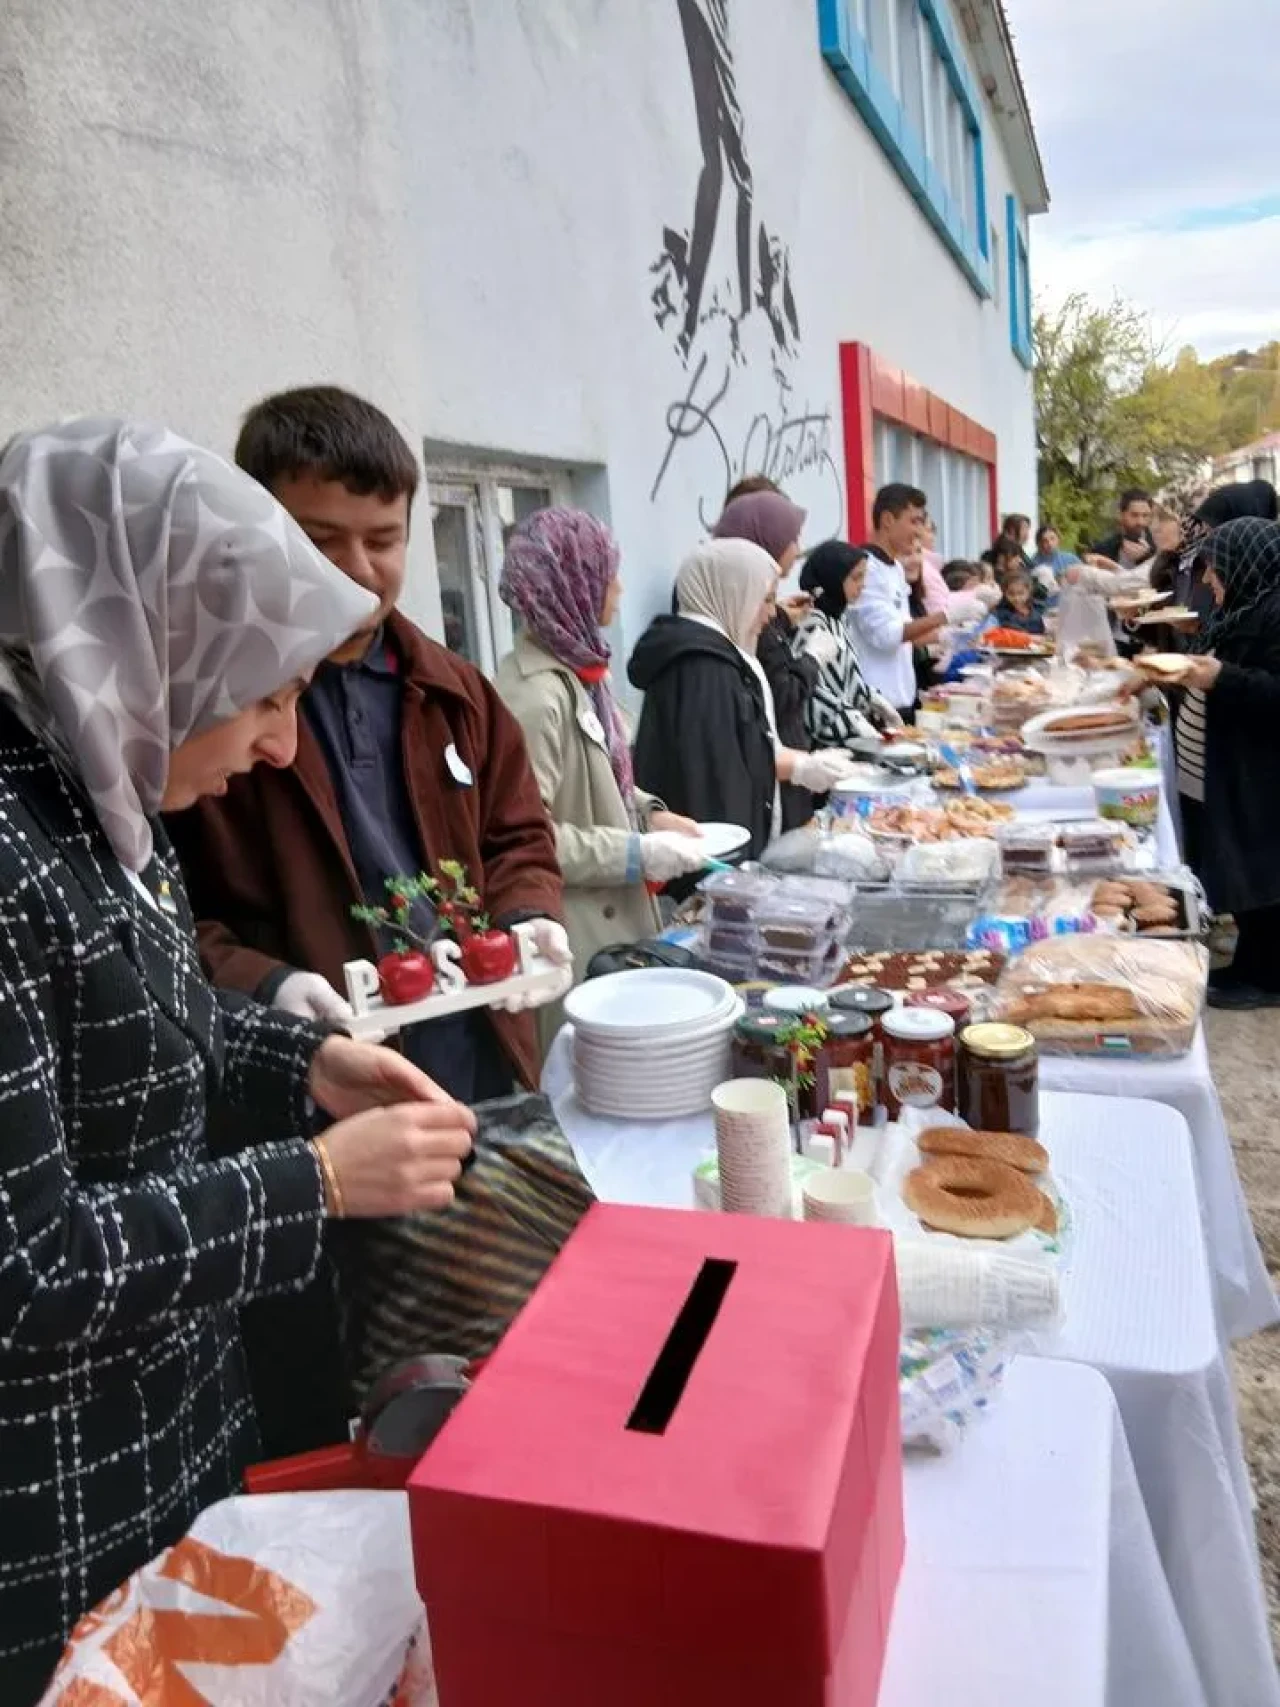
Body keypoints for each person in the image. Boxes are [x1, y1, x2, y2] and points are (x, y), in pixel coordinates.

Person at [0, 419, 478, 1704]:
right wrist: (313, 1183)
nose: (281, 744)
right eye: (266, 696)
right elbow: (25, 1266)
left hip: (181, 1447)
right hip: (60, 1518)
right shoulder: (9, 853)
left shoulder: (111, 794)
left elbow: (169, 1031)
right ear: (150, 647)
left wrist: (308, 1065)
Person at [165, 386, 567, 1457]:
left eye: (384, 540)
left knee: (489, 1324)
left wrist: (526, 922)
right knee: (340, 1364)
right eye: (319, 538)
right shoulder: (220, 714)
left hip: (470, 1054)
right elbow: (171, 920)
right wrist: (268, 987)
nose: (357, 569)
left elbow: (519, 837)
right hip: (304, 1103)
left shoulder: (454, 696)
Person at [494, 508, 706, 1041]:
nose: (618, 587)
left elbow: (604, 780)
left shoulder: (580, 670)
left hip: (612, 922)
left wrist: (650, 814)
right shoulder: (535, 698)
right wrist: (636, 853)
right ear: (573, 584)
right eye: (606, 573)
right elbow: (524, 841)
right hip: (577, 934)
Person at [629, 540, 851, 857]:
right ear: (734, 593)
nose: (772, 613)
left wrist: (804, 764)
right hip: (712, 855)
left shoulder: (718, 655)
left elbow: (742, 748)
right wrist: (802, 766)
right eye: (766, 599)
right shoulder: (703, 668)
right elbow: (720, 776)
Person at [1149, 520, 1280, 1008]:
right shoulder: (1248, 607)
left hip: (1260, 773)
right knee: (1243, 865)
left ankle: (1268, 976)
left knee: (1264, 870)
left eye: (1216, 570)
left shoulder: (1275, 612)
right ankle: (1252, 961)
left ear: (1247, 565)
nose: (1206, 581)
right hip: (1230, 767)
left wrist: (1222, 676)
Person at [711, 487, 819, 829]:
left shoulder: (752, 606)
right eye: (792, 539)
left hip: (778, 763)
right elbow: (777, 689)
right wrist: (812, 661)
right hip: (766, 778)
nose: (798, 551)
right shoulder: (726, 601)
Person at [848, 483, 945, 719]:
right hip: (876, 706)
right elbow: (887, 636)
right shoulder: (867, 569)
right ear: (888, 520)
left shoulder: (895, 569)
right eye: (914, 521)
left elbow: (908, 634)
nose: (919, 532)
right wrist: (947, 616)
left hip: (902, 701)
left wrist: (952, 635)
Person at [792, 541, 900, 747]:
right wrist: (855, 722)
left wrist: (873, 699)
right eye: (856, 577)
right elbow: (812, 694)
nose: (863, 584)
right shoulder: (812, 624)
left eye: (863, 576)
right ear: (833, 579)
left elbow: (846, 679)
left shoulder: (837, 620)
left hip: (847, 739)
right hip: (825, 748)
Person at [1093, 487, 1155, 568]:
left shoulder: (1160, 548)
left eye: (1145, 515)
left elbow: (1168, 577)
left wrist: (1145, 558)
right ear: (1121, 515)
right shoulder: (1103, 549)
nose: (1140, 522)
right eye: (1134, 515)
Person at [991, 569, 1047, 636]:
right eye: (1011, 594)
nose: (1016, 598)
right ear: (1004, 593)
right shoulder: (1000, 611)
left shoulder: (1039, 608)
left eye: (1021, 593)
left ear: (1029, 592)